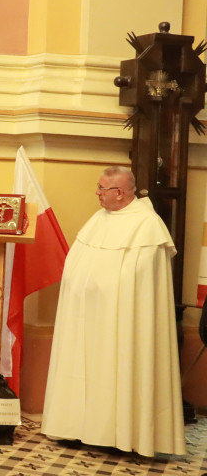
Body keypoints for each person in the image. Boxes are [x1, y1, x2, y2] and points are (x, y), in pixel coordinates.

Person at [42, 165, 185, 457]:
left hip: (122, 320)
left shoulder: (147, 226)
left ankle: (119, 434)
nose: (97, 193)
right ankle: (78, 427)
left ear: (119, 193)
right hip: (86, 315)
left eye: (102, 188)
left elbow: (141, 284)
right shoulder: (98, 219)